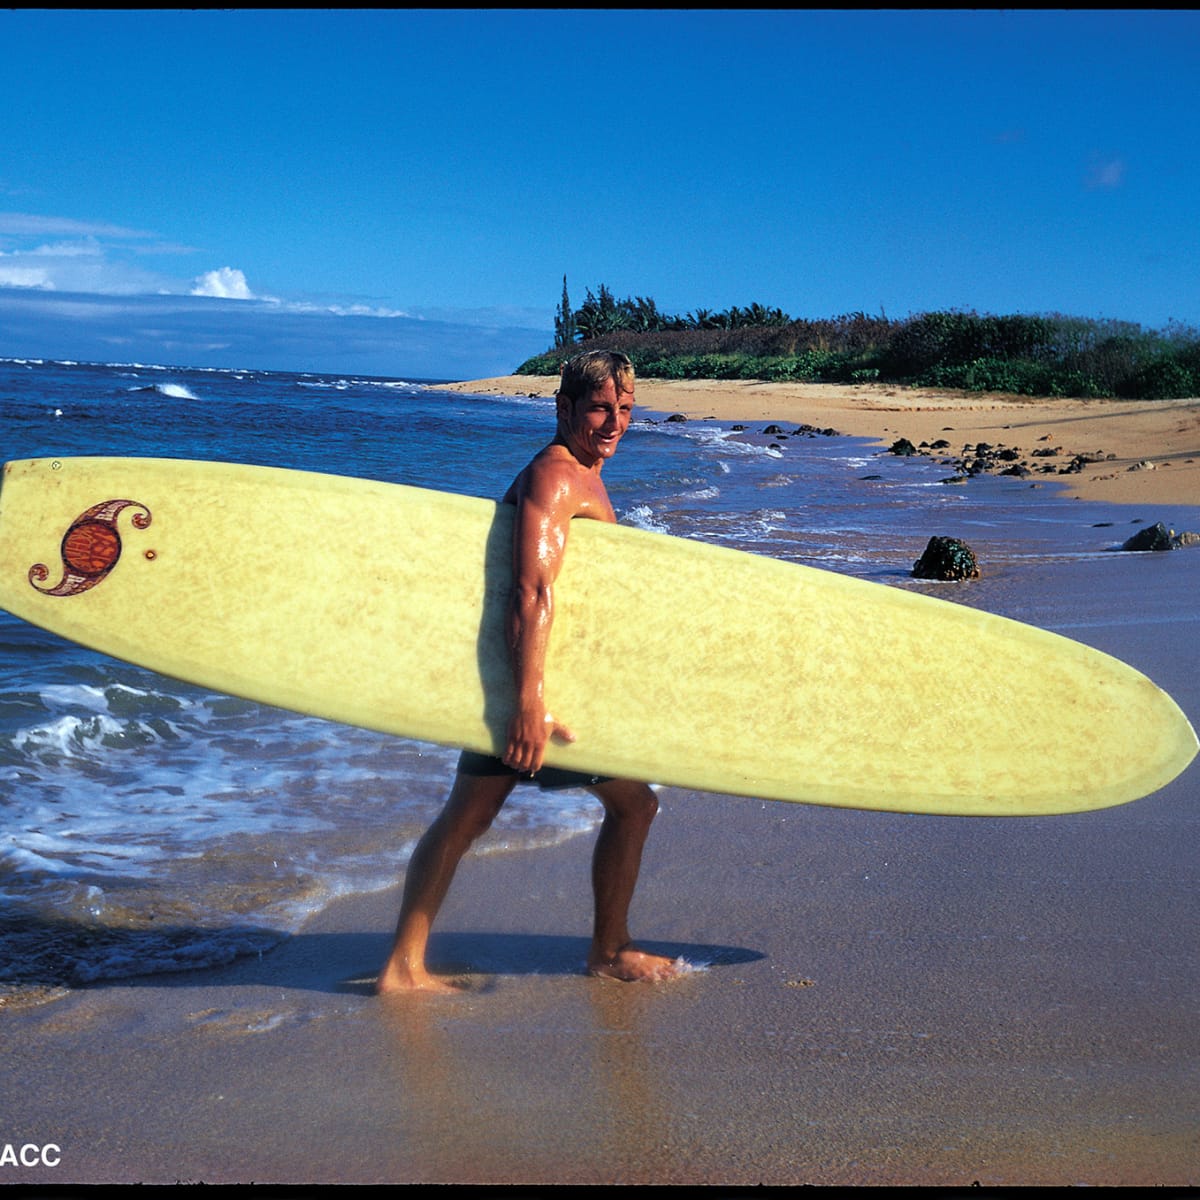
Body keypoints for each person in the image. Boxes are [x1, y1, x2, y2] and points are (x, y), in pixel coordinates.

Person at [376, 350, 678, 993]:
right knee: (634, 805)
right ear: (563, 408)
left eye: (625, 409)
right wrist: (528, 702)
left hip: (525, 678)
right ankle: (608, 947)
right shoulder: (558, 476)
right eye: (599, 408)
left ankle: (405, 963)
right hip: (537, 689)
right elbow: (529, 591)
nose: (614, 423)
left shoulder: (584, 473)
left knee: (468, 818)